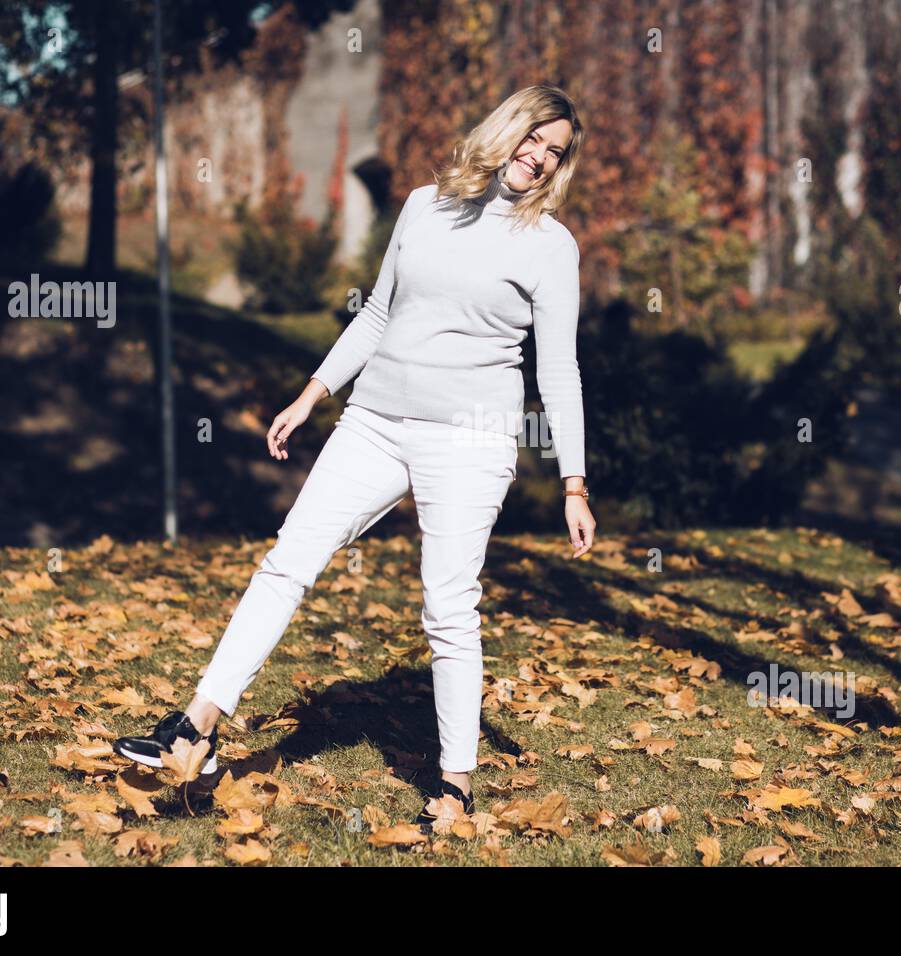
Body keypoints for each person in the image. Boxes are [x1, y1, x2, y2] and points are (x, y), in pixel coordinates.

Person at [113, 84, 596, 834]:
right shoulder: (423, 206)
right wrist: (311, 396)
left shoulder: (550, 246)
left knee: (448, 607)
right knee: (287, 561)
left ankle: (455, 786)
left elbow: (557, 371)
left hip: (469, 441)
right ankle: (195, 729)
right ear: (507, 129)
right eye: (532, 137)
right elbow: (377, 315)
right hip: (374, 420)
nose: (536, 157)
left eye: (554, 151)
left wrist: (573, 482)